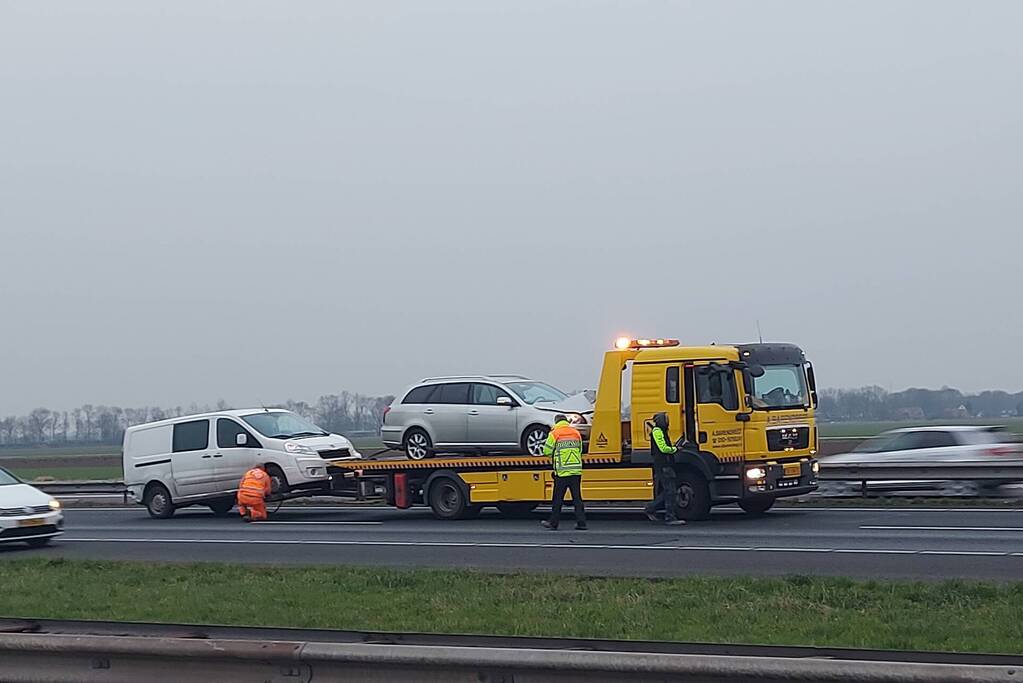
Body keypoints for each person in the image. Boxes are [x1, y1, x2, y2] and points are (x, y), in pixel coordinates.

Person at [540, 415, 587, 531]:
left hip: (562, 472)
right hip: (576, 470)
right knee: (577, 498)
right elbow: (580, 450)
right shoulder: (575, 433)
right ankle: (581, 523)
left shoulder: (555, 433)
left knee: (558, 499)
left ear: (556, 422)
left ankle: (553, 523)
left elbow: (546, 451)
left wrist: (555, 456)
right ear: (566, 421)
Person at [644, 412, 686, 526]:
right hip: (663, 465)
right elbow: (663, 448)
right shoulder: (657, 432)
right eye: (666, 420)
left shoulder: (661, 431)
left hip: (665, 465)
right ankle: (669, 517)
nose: (668, 422)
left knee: (669, 491)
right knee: (670, 491)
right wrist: (675, 449)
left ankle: (651, 508)